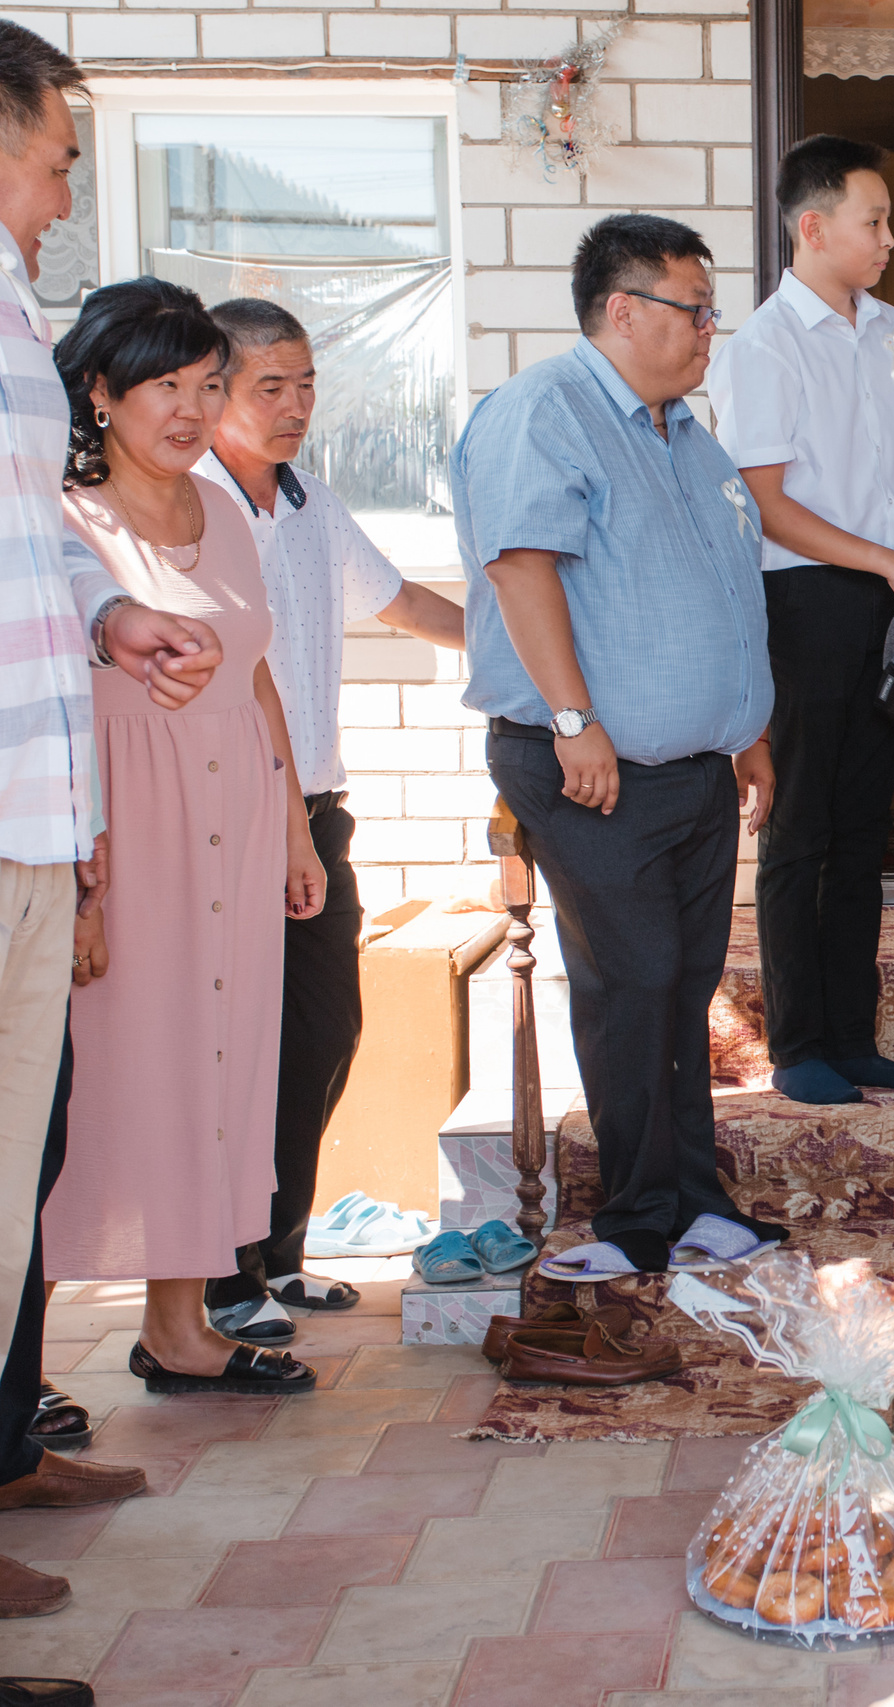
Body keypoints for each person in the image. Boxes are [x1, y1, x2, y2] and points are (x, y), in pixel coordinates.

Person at [0, 25, 230, 1633]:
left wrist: (103, 619)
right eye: (59, 147)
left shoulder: (12, 308)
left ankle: (6, 1449)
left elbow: (28, 546)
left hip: (33, 805)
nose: (71, 179)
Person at [456, 214, 783, 1282]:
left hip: (688, 768)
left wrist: (747, 733)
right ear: (623, 310)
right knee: (631, 981)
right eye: (695, 309)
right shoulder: (543, 411)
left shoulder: (684, 432)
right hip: (592, 765)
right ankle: (637, 1216)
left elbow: (724, 592)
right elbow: (519, 566)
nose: (709, 330)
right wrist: (571, 719)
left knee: (680, 985)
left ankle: (691, 1198)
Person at [40, 277, 324, 1405]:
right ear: (101, 393)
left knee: (215, 1065)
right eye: (166, 384)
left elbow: (258, 683)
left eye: (209, 386)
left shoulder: (224, 514)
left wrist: (296, 831)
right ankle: (26, 1365)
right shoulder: (61, 519)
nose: (191, 409)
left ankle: (180, 1327)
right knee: (97, 1082)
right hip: (123, 832)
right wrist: (74, 861)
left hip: (237, 827)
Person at [196, 297, 466, 1343]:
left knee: (323, 1033)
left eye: (307, 383)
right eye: (272, 385)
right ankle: (223, 1279)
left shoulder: (306, 500)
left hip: (317, 810)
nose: (297, 404)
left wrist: (526, 650)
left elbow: (403, 602)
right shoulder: (198, 509)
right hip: (232, 816)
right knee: (242, 1050)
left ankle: (279, 1254)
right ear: (213, 391)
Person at [706, 135, 894, 1108]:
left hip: (884, 594)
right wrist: (890, 562)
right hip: (805, 598)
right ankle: (799, 1044)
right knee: (800, 829)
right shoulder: (762, 348)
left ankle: (851, 1038)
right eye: (874, 220)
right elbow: (764, 502)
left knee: (865, 827)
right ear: (813, 228)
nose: (889, 238)